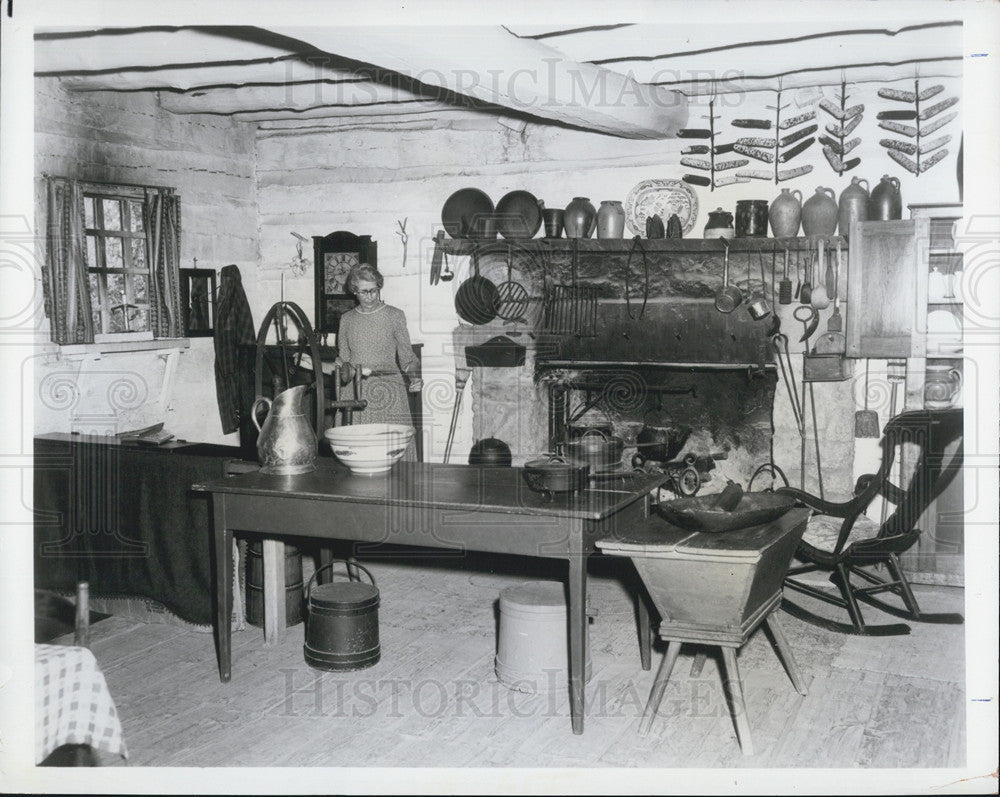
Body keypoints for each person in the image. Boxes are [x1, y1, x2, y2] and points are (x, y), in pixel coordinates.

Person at [334, 264, 421, 439]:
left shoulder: (394, 315)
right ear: (354, 291)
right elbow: (344, 361)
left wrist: (415, 378)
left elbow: (407, 358)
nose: (370, 296)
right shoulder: (347, 319)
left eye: (374, 290)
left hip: (389, 389)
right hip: (356, 391)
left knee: (390, 445)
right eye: (364, 292)